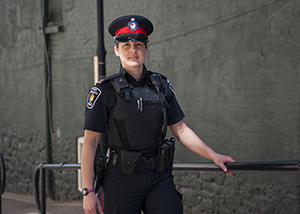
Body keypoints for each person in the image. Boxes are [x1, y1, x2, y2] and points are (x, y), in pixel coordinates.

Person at [81, 15, 235, 214]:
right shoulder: (104, 91)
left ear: (146, 49)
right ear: (116, 50)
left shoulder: (160, 85)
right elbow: (90, 142)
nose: (133, 50)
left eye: (138, 44)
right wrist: (88, 191)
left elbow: (180, 129)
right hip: (121, 180)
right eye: (126, 45)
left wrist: (213, 155)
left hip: (158, 177)